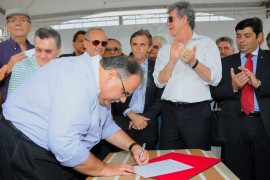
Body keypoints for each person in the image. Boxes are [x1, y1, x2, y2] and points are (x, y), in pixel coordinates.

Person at [0, 53, 149, 179]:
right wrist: (104, 169)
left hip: (51, 150)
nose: (122, 100)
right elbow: (65, 144)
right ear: (112, 75)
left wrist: (133, 146)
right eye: (125, 93)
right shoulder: (77, 80)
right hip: (24, 147)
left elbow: (105, 125)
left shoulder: (98, 86)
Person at [153, 1, 222, 150]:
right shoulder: (165, 49)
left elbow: (214, 79)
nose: (168, 24)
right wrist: (172, 61)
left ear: (184, 19)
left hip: (197, 113)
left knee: (198, 157)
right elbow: (159, 82)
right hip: (169, 112)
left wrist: (193, 63)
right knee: (169, 157)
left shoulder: (207, 44)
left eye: (170, 19)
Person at [210, 17, 270, 180]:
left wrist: (258, 84)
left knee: (265, 171)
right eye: (238, 36)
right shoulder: (225, 62)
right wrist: (234, 87)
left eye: (247, 35)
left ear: (260, 37)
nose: (241, 40)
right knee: (236, 173)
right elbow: (214, 92)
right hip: (234, 125)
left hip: (263, 125)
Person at [112, 29, 162, 150]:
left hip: (147, 124)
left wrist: (143, 119)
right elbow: (113, 95)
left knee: (148, 163)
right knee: (123, 164)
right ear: (130, 46)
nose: (138, 48)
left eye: (142, 44)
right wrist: (131, 114)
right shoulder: (119, 66)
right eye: (135, 44)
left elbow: (161, 98)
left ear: (149, 47)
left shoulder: (158, 67)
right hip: (123, 123)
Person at [8, 27, 62, 95]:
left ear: (58, 50)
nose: (42, 56)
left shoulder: (64, 69)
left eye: (48, 51)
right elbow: (13, 103)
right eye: (39, 50)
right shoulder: (22, 67)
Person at [0, 7, 34, 104]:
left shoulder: (37, 51)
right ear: (7, 26)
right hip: (7, 112)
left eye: (23, 20)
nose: (18, 24)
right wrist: (8, 68)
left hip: (34, 108)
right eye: (13, 20)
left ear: (30, 26)